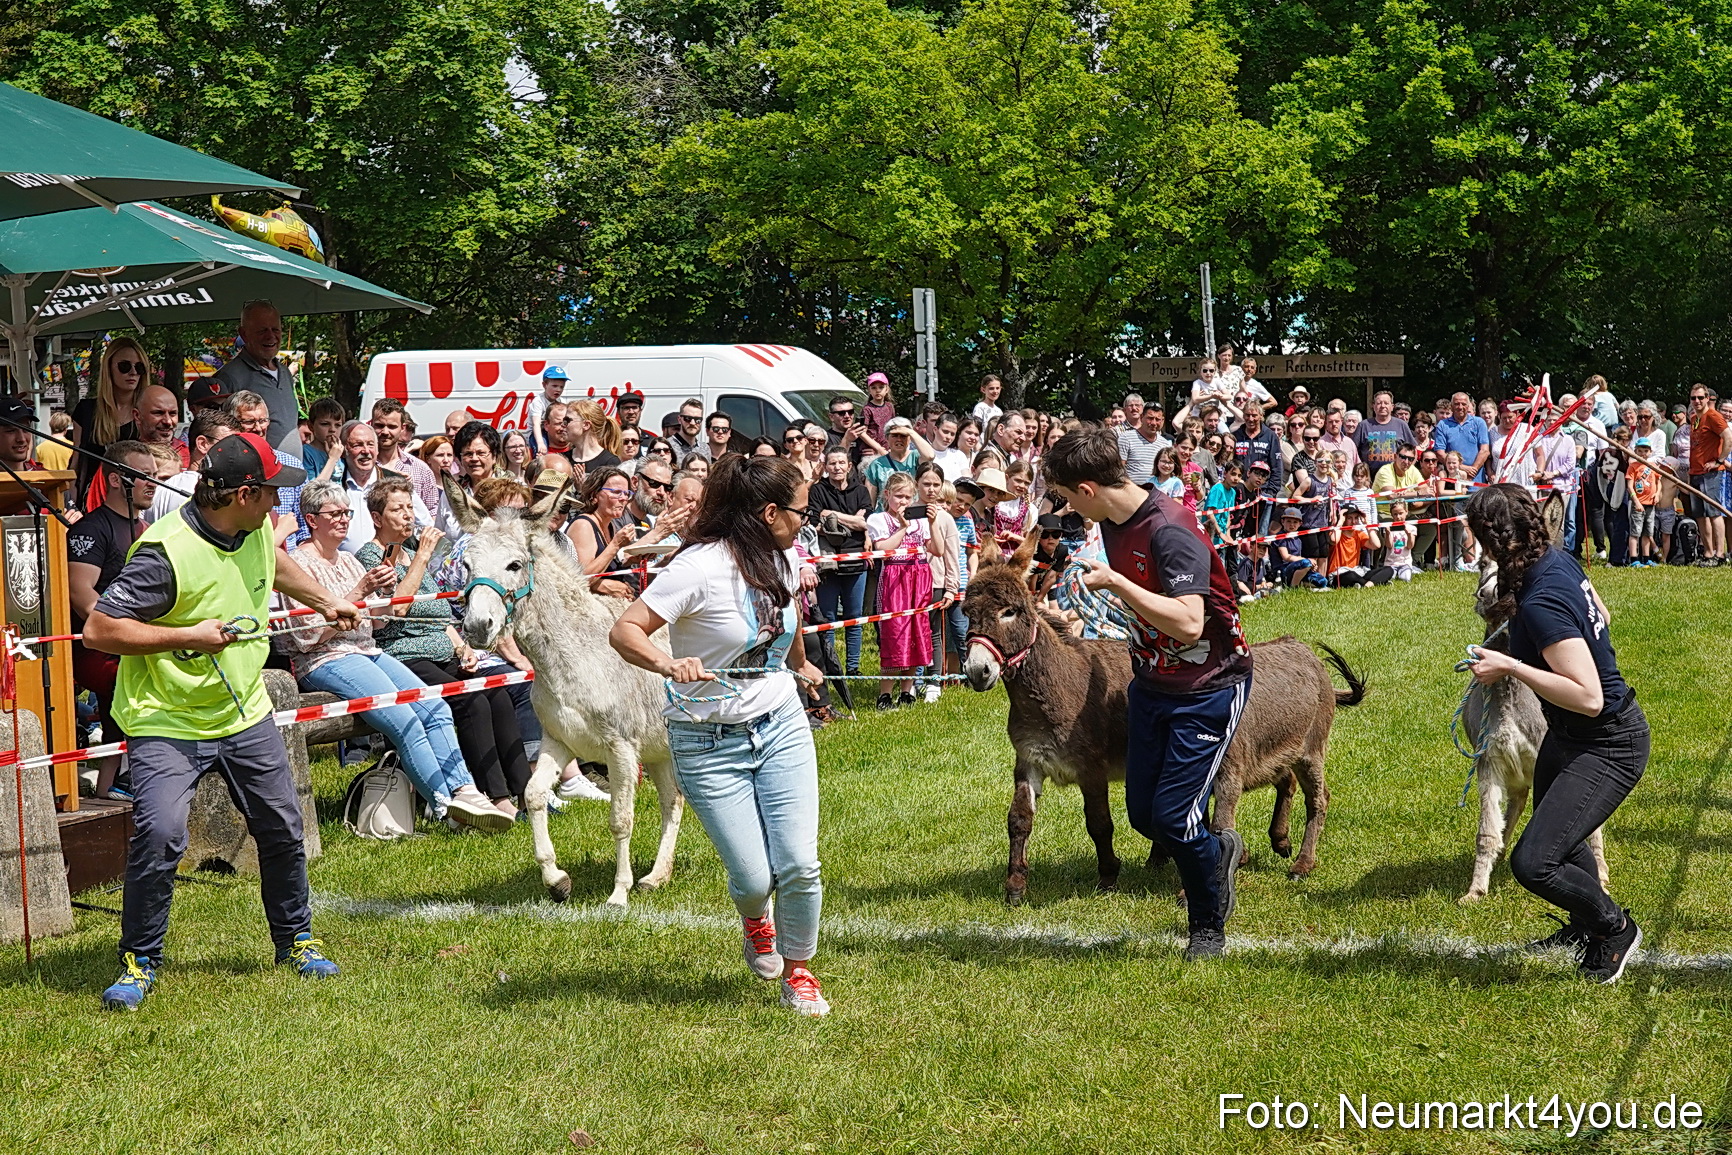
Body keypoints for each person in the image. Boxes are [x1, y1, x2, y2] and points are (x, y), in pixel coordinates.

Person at [83, 434, 364, 1010]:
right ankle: (140, 962)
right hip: (167, 717)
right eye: (270, 493)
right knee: (161, 835)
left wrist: (322, 599)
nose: (277, 505)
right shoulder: (165, 552)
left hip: (243, 709)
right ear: (242, 493)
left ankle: (297, 941)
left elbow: (275, 563)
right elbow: (100, 630)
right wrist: (190, 634)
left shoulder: (252, 526)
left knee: (282, 826)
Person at [608, 454, 831, 1016]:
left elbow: (786, 617)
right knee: (754, 877)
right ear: (770, 512)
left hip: (780, 724)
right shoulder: (697, 567)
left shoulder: (781, 556)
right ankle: (756, 918)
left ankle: (800, 972)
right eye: (802, 512)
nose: (807, 521)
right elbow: (624, 629)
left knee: (801, 865)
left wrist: (799, 664)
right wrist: (666, 664)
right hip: (708, 740)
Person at [1041, 427, 1252, 960]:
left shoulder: (1170, 529)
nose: (1064, 506)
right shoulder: (1112, 523)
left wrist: (1117, 584)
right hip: (1152, 684)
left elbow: (1187, 623)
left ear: (1087, 488)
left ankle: (1207, 925)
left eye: (1066, 495)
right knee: (1144, 817)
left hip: (1208, 687)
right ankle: (1218, 849)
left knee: (1175, 820)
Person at [1463, 484, 1648, 983]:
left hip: (1608, 741)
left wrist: (1511, 666)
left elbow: (1589, 695)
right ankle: (1582, 926)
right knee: (1563, 840)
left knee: (1534, 862)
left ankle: (1615, 929)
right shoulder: (1556, 562)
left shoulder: (1541, 596)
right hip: (1569, 735)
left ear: (1492, 538)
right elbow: (1602, 617)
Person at [286, 478, 511, 831]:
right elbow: (306, 636)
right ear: (312, 520)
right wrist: (362, 592)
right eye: (335, 514)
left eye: (347, 512)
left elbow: (374, 626)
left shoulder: (347, 560)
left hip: (367, 650)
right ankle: (445, 805)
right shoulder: (297, 566)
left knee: (435, 705)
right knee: (404, 718)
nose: (345, 520)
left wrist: (381, 598)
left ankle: (468, 793)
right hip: (327, 659)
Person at [352, 479, 533, 821]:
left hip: (442, 649)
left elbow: (438, 612)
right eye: (397, 509)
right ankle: (493, 797)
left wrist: (462, 646)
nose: (407, 516)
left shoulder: (411, 554)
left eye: (409, 507)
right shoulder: (373, 557)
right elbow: (398, 609)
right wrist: (421, 556)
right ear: (377, 518)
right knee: (472, 701)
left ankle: (525, 791)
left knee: (497, 693)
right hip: (404, 653)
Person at [69, 440, 161, 800]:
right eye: (143, 476)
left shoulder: (148, 530)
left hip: (133, 642)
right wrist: (131, 634)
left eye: (155, 475)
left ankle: (110, 785)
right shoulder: (91, 530)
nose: (152, 483)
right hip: (95, 649)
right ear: (113, 480)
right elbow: (81, 595)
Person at [865, 473, 937, 709]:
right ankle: (885, 693)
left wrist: (933, 523)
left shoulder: (921, 521)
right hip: (895, 580)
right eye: (899, 496)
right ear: (887, 495)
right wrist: (903, 529)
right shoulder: (879, 519)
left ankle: (907, 690)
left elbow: (937, 549)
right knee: (895, 634)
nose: (904, 502)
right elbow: (883, 549)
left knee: (916, 633)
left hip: (919, 578)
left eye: (908, 497)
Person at [809, 446, 873, 677]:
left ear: (849, 466)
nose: (837, 467)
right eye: (832, 463)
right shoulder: (817, 491)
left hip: (856, 562)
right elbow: (814, 523)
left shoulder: (861, 491)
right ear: (825, 467)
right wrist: (851, 521)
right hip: (828, 564)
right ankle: (830, 666)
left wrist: (831, 515)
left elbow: (865, 523)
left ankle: (853, 668)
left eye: (841, 463)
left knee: (854, 617)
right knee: (828, 618)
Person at [210, 300, 302, 458]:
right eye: (262, 331)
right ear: (244, 334)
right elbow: (217, 432)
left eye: (275, 329)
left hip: (292, 472)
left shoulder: (285, 372)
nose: (271, 336)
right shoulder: (230, 376)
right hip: (257, 474)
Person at [71, 338, 150, 500]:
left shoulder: (148, 412)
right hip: (93, 501)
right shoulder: (86, 410)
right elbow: (77, 464)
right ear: (109, 368)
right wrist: (72, 502)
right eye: (124, 366)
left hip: (135, 500)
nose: (133, 372)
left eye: (139, 367)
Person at [148, 410, 232, 525]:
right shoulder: (195, 491)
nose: (237, 452)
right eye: (230, 445)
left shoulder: (163, 488)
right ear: (202, 444)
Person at [567, 466, 640, 598]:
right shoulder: (583, 525)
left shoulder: (610, 525)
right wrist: (615, 545)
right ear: (595, 495)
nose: (623, 498)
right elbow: (580, 579)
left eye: (626, 493)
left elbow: (604, 564)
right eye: (616, 492)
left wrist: (631, 560)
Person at [1686, 385, 1731, 566]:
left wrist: (1719, 461)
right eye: (1693, 398)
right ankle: (1708, 552)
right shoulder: (1694, 418)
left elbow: (1728, 437)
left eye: (1700, 398)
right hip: (1695, 472)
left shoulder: (1713, 416)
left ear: (1707, 398)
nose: (1697, 401)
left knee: (1713, 512)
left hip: (1711, 473)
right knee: (1700, 514)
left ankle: (1719, 555)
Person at [371, 398, 441, 512]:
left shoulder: (420, 469)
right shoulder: (361, 467)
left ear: (402, 428)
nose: (385, 432)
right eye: (379, 425)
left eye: (392, 426)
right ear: (371, 424)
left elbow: (433, 512)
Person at [863, 415, 936, 506]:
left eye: (903, 436)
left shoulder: (916, 457)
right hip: (885, 515)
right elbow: (870, 500)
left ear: (910, 438)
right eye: (894, 435)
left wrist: (909, 431)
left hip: (912, 514)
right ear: (887, 438)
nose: (899, 439)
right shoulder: (877, 464)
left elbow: (930, 456)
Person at [1625, 438, 1660, 567]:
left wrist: (1657, 493)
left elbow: (1658, 482)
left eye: (1646, 451)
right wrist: (1636, 502)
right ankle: (1634, 559)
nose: (1643, 454)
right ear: (1635, 451)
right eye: (1640, 451)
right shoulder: (1633, 467)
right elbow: (1630, 486)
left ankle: (1647, 558)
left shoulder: (1653, 466)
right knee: (1635, 532)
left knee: (1648, 532)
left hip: (1650, 504)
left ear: (1650, 452)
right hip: (1638, 504)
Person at [1117, 401, 1170, 485]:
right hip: (1132, 491)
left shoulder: (1165, 444)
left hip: (1156, 493)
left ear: (1162, 421)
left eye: (1157, 419)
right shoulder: (1126, 438)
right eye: (1150, 418)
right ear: (1141, 417)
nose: (1153, 423)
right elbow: (1118, 469)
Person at [566, 398, 624, 473]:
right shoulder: (562, 459)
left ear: (586, 425)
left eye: (567, 420)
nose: (562, 425)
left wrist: (583, 484)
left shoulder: (610, 462)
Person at [525, 366, 568, 453]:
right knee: (540, 450)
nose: (558, 390)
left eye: (561, 387)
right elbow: (535, 424)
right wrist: (540, 443)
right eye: (555, 386)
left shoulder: (561, 401)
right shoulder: (538, 401)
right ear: (544, 385)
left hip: (551, 431)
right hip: (537, 433)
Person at [300, 397, 345, 480]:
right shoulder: (306, 452)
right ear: (311, 426)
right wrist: (332, 459)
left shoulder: (341, 451)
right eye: (325, 424)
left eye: (338, 425)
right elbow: (312, 490)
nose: (333, 429)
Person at [860, 372, 897, 449]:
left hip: (888, 448)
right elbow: (862, 433)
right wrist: (878, 448)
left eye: (881, 387)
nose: (877, 390)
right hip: (872, 449)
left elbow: (893, 427)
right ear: (869, 390)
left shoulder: (889, 406)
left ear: (886, 389)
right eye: (874, 388)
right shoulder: (867, 409)